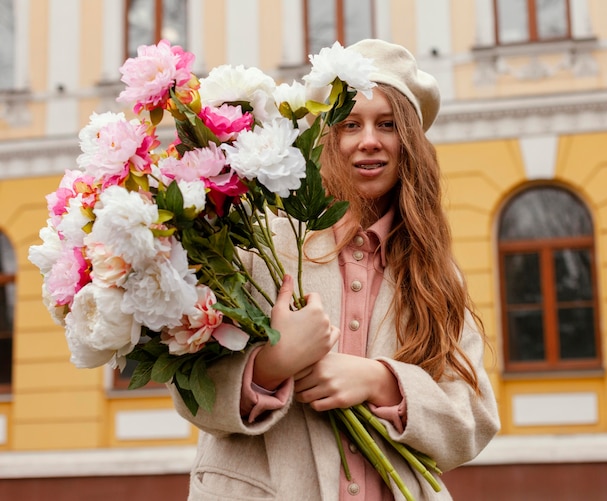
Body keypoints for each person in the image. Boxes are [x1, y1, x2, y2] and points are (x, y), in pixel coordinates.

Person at [168, 38, 500, 500]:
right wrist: (271, 365)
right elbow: (190, 391)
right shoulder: (259, 240)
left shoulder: (435, 273)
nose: (369, 140)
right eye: (350, 124)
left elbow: (474, 419)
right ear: (327, 138)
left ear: (410, 145)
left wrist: (383, 382)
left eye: (387, 124)